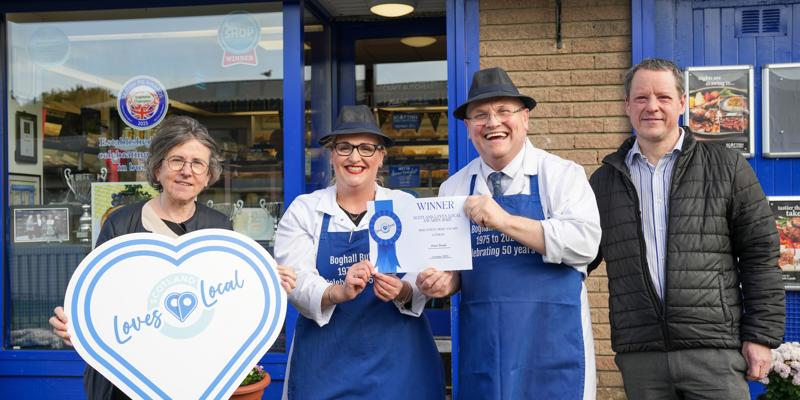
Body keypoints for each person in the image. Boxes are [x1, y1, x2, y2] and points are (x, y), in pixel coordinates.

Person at [48, 115, 297, 400]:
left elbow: (229, 302)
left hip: (194, 378)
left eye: (197, 163)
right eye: (177, 160)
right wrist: (75, 326)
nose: (186, 171)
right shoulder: (121, 224)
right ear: (157, 169)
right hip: (127, 381)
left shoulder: (218, 227)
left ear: (207, 177)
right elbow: (100, 300)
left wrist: (268, 281)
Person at [588, 58, 784, 399]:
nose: (652, 107)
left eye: (663, 97)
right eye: (641, 98)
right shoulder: (604, 182)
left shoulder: (726, 167)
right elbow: (579, 256)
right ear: (627, 105)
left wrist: (761, 335)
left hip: (714, 352)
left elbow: (760, 254)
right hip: (642, 356)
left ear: (681, 103)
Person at [418, 67, 601, 399]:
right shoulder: (454, 188)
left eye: (504, 111)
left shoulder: (561, 175)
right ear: (468, 128)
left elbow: (586, 245)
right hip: (485, 349)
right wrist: (444, 282)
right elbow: (453, 269)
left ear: (525, 118)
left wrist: (503, 220)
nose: (493, 123)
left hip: (552, 347)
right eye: (480, 115)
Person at [275, 105, 444, 400]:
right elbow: (295, 280)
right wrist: (337, 292)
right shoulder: (306, 209)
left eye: (366, 148)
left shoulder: (405, 205)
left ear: (381, 156)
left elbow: (425, 273)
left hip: (399, 366)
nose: (355, 157)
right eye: (344, 147)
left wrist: (403, 290)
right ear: (332, 155)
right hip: (325, 365)